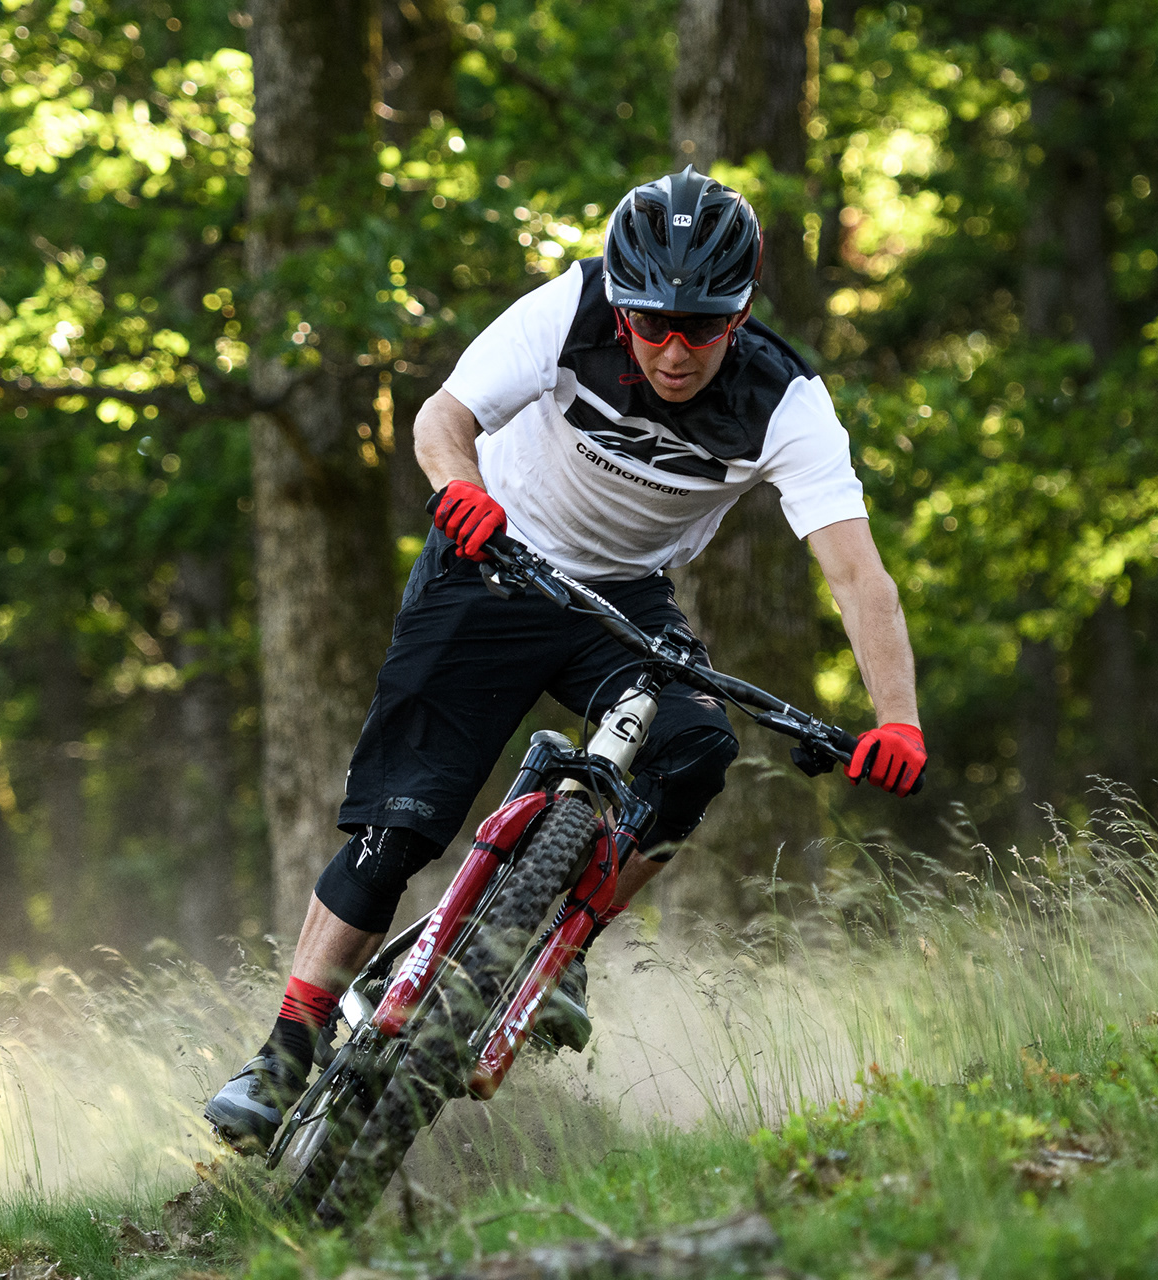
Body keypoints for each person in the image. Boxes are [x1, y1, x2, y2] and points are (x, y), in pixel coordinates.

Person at [204, 165, 927, 1152]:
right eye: (652, 323)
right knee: (399, 825)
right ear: (621, 306)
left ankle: (564, 943)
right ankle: (285, 1047)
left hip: (622, 599)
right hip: (491, 560)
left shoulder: (784, 401)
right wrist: (461, 491)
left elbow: (858, 576)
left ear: (742, 313)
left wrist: (897, 719)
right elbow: (442, 419)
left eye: (703, 327)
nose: (675, 349)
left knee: (694, 749)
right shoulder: (569, 309)